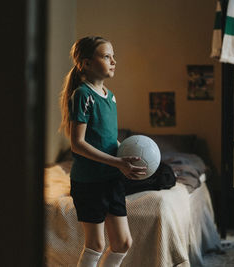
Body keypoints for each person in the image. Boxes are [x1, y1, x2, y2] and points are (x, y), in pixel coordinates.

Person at [59, 36, 147, 267]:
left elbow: (107, 139)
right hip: (89, 182)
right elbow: (77, 144)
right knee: (95, 245)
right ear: (86, 63)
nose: (113, 61)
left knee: (123, 243)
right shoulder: (82, 95)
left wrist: (125, 156)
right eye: (106, 56)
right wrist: (117, 163)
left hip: (111, 179)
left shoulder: (111, 96)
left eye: (113, 56)